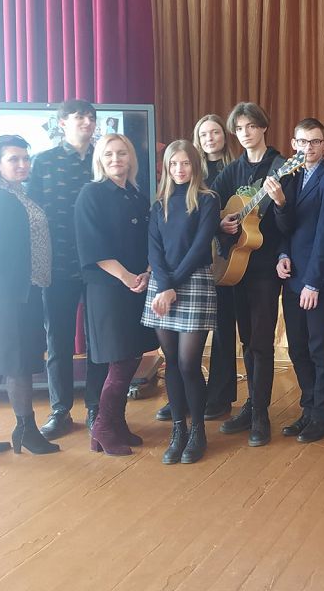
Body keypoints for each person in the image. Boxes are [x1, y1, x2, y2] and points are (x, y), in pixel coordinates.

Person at [0, 135, 60, 458]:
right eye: (13, 159)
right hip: (8, 294)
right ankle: (26, 430)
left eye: (25, 158)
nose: (22, 164)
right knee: (16, 363)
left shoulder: (15, 192)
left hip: (21, 290)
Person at [26, 99, 108, 440]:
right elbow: (30, 212)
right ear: (62, 123)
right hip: (57, 266)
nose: (86, 122)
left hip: (99, 266)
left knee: (98, 340)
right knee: (58, 340)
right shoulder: (42, 161)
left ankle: (96, 408)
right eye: (79, 117)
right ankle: (60, 411)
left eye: (91, 117)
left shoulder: (103, 158)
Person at [75, 134, 159, 456]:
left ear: (130, 158)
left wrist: (146, 273)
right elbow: (93, 247)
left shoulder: (136, 194)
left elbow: (149, 240)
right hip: (108, 289)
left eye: (122, 153)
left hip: (137, 285)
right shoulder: (91, 194)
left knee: (133, 355)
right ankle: (102, 426)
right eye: (108, 154)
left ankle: (117, 423)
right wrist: (126, 277)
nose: (115, 159)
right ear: (100, 159)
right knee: (120, 359)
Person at [213, 103, 291, 447]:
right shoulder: (232, 170)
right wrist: (221, 224)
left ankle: (261, 413)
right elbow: (211, 206)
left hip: (265, 268)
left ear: (263, 128)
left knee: (261, 341)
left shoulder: (281, 167)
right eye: (240, 128)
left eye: (251, 126)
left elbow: (291, 224)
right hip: (237, 265)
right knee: (246, 339)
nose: (245, 133)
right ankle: (250, 405)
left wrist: (281, 203)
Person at [153, 114, 237, 423]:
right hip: (172, 273)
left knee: (215, 338)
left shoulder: (227, 176)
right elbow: (157, 242)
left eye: (215, 132)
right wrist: (166, 283)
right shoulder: (164, 197)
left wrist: (220, 226)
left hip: (212, 265)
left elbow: (206, 237)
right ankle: (183, 407)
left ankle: (216, 398)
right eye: (204, 134)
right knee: (175, 357)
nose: (210, 138)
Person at [142, 141, 221, 464]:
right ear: (166, 167)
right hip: (162, 286)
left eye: (185, 163)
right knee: (171, 361)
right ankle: (179, 429)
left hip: (194, 281)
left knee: (189, 363)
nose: (179, 169)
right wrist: (164, 286)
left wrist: (172, 285)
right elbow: (153, 249)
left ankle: (198, 430)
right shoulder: (159, 203)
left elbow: (200, 247)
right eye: (173, 164)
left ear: (195, 165)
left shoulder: (207, 199)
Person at [275, 118, 324, 443]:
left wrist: (313, 283)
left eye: (315, 142)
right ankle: (308, 407)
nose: (309, 148)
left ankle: (322, 414)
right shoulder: (291, 176)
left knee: (319, 347)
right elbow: (285, 224)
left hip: (317, 281)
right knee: (297, 346)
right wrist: (282, 254)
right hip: (292, 276)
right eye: (303, 142)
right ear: (294, 144)